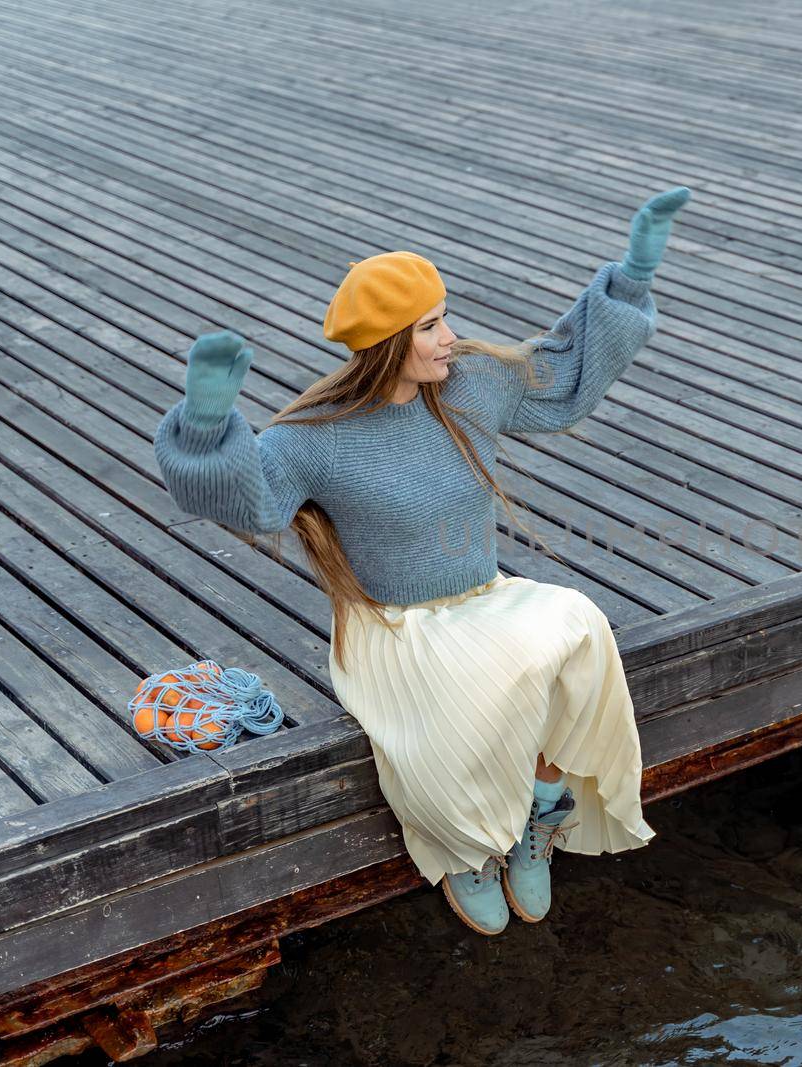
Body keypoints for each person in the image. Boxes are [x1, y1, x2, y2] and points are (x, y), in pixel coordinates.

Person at [153, 187, 692, 935]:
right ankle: (470, 849)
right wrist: (207, 423)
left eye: (445, 318)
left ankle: (537, 814)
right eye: (432, 325)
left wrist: (632, 274)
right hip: (396, 630)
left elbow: (564, 376)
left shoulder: (471, 384)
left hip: (483, 597)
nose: (450, 337)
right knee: (463, 710)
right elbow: (253, 502)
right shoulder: (315, 435)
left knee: (575, 627)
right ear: (386, 344)